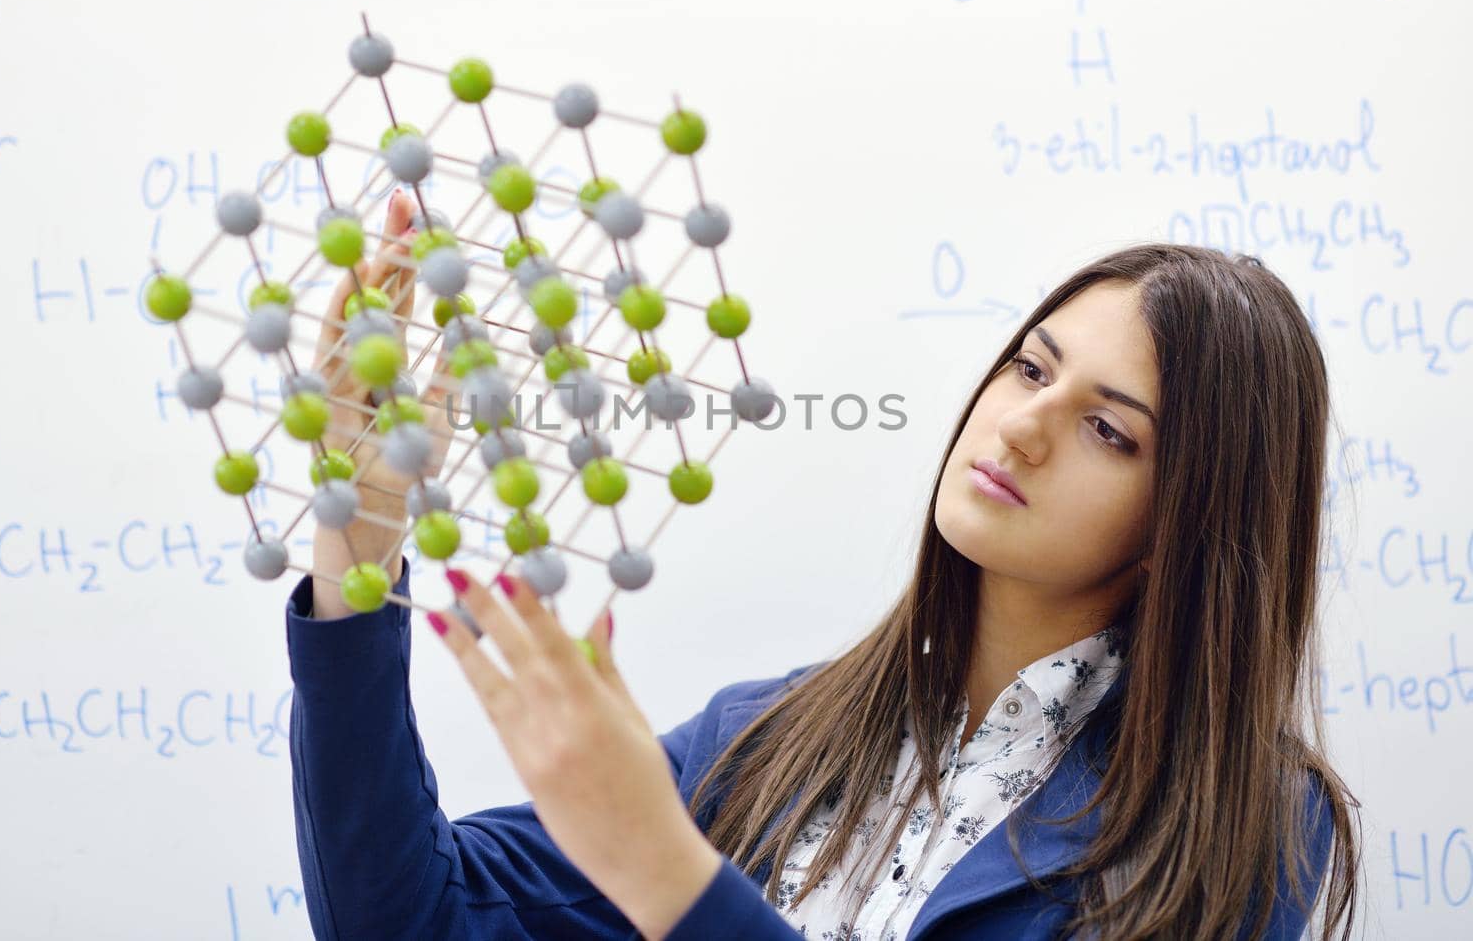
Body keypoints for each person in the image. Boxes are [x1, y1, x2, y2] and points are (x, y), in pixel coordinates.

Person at [284, 189, 1361, 939]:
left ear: (1192, 518)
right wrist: (358, 550)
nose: (1023, 425)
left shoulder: (1239, 823)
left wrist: (670, 874)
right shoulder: (766, 740)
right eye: (1029, 367)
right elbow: (401, 916)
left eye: (1108, 432)